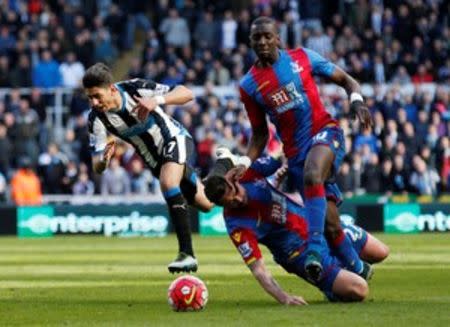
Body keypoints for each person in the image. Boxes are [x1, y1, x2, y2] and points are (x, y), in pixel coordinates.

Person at [239, 16, 373, 281]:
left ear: (278, 38)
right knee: (332, 227)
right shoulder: (249, 86)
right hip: (296, 154)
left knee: (313, 173)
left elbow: (348, 80)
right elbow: (259, 135)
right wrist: (242, 164)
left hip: (326, 132)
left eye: (268, 36)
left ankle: (313, 249)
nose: (263, 41)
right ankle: (359, 268)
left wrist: (356, 101)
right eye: (257, 38)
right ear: (251, 42)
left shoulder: (303, 57)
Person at [82, 63, 214, 273]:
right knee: (207, 204)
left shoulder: (135, 89)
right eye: (89, 97)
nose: (94, 102)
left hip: (174, 138)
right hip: (154, 161)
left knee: (168, 183)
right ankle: (225, 166)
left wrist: (157, 100)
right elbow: (96, 167)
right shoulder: (96, 119)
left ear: (112, 89)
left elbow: (186, 93)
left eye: (97, 96)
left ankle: (187, 254)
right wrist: (104, 161)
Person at [203, 155, 389, 304]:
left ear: (231, 181)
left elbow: (281, 157)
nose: (237, 200)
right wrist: (283, 297)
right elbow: (258, 269)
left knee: (381, 252)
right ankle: (331, 290)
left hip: (318, 225)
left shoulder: (249, 173)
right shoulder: (237, 225)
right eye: (230, 203)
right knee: (360, 289)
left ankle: (342, 265)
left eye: (234, 193)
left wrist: (281, 171)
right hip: (299, 254)